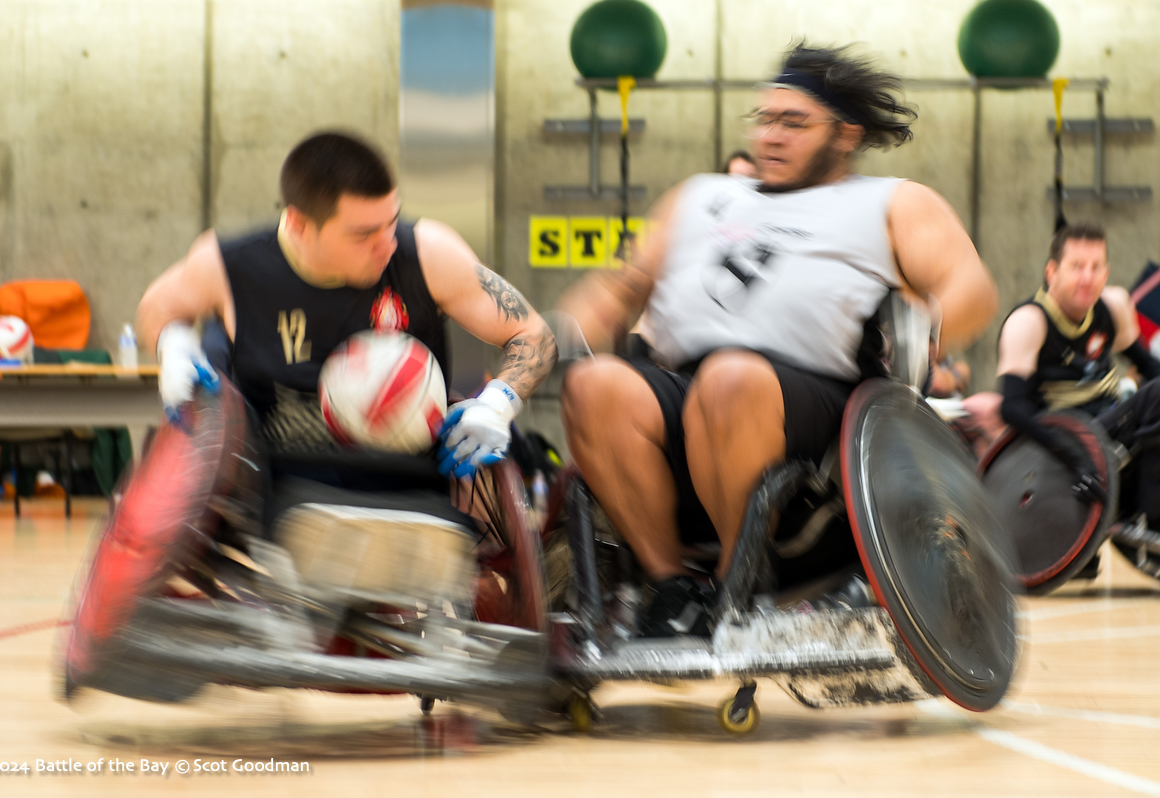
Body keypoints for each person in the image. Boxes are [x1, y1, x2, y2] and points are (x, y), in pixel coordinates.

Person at [559, 42, 998, 638]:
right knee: (594, 384)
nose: (771, 136)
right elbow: (620, 287)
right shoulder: (698, 196)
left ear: (845, 133)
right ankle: (672, 589)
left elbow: (970, 286)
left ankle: (740, 584)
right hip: (690, 397)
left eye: (794, 123)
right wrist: (559, 333)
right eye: (764, 119)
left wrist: (926, 325)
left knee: (731, 377)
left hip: (812, 423)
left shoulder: (892, 201)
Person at [136, 131, 556, 479]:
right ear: (299, 225)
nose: (387, 244)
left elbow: (533, 333)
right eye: (363, 234)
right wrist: (173, 345)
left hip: (409, 485)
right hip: (272, 484)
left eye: (391, 222)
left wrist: (498, 404)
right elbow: (158, 306)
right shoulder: (229, 264)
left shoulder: (430, 253)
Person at [995, 222, 1160, 523]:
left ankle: (1142, 514)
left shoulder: (1113, 305)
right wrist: (1073, 456)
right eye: (1077, 267)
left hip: (1112, 421)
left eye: (1096, 267)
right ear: (1051, 272)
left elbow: (1150, 367)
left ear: (1106, 273)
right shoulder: (1029, 321)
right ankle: (1149, 517)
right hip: (1070, 432)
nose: (1087, 277)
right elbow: (1012, 408)